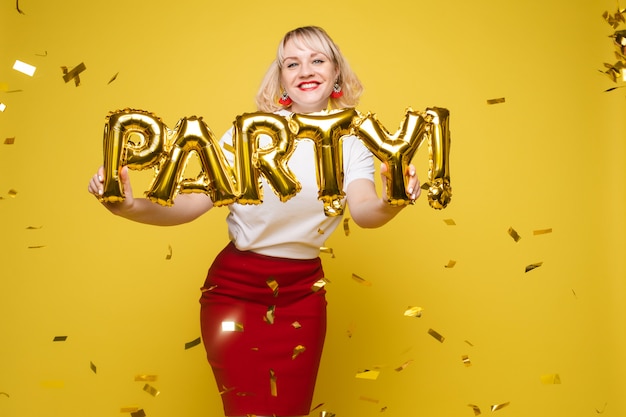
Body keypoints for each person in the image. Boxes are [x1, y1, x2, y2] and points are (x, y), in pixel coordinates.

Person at [88, 26, 421, 417]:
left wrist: (394, 201)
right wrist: (128, 207)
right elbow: (192, 205)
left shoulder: (356, 141)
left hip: (302, 297)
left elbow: (365, 210)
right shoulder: (251, 134)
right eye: (291, 63)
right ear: (281, 78)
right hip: (234, 293)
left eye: (317, 60)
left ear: (336, 74)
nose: (305, 70)